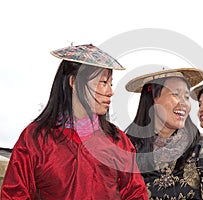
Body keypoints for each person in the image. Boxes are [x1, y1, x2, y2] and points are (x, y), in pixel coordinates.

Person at [1, 44, 148, 199]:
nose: (110, 92)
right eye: (103, 82)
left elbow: (136, 193)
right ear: (74, 82)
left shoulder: (117, 141)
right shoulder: (35, 139)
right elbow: (14, 195)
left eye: (110, 83)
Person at [125, 68, 203, 199]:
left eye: (187, 97)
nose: (184, 104)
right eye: (176, 94)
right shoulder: (128, 147)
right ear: (154, 97)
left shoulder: (201, 147)